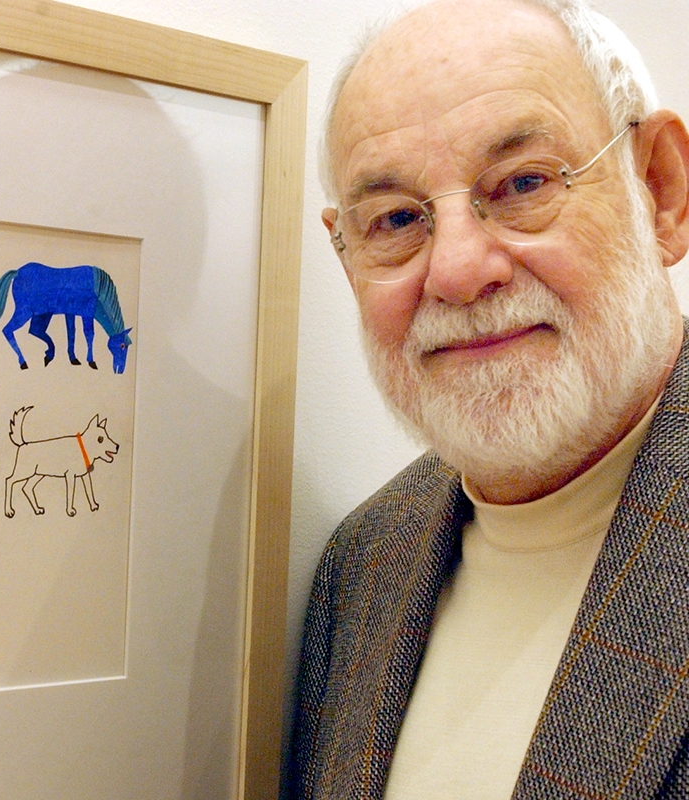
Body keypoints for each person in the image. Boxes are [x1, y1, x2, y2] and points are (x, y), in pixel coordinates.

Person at [287, 0, 689, 797]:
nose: (459, 271)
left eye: (522, 183)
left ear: (660, 191)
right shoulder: (360, 567)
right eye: (397, 219)